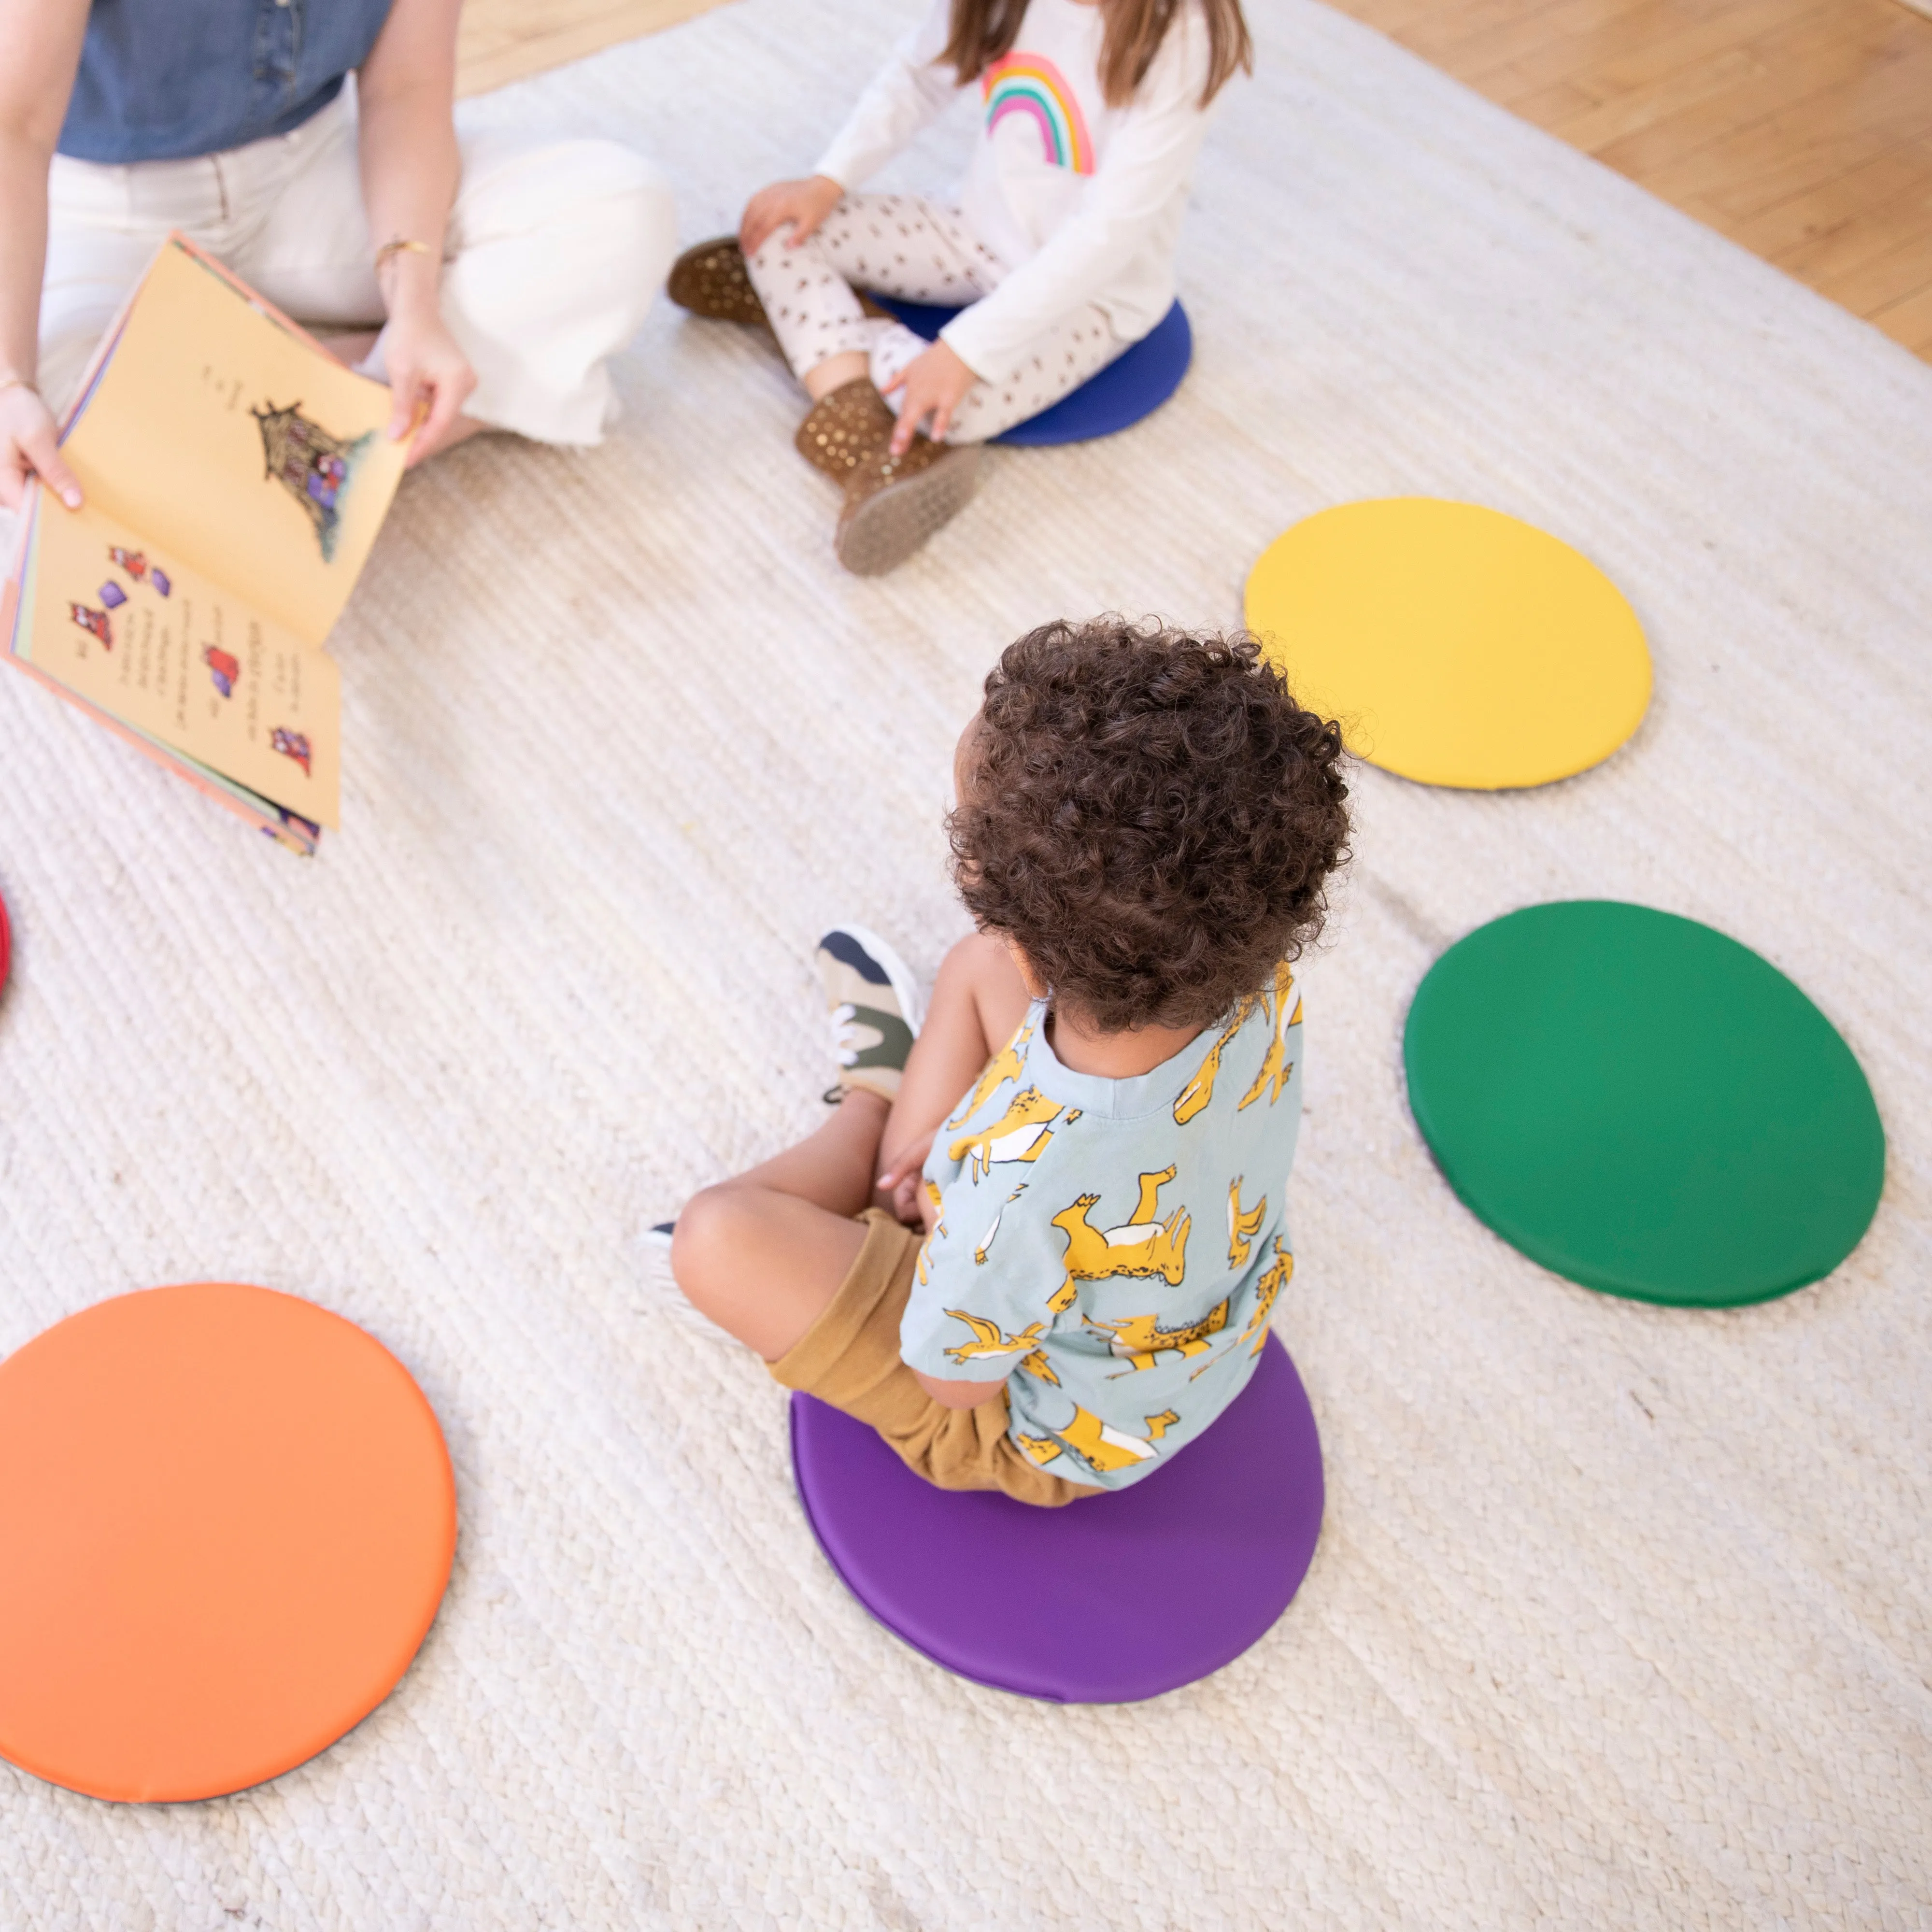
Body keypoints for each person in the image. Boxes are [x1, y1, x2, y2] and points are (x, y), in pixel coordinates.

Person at [669, 618, 1350, 1503]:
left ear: (1036, 956)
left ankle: (870, 1101)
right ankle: (893, 1142)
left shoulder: (1014, 1195)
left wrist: (957, 1221)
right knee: (970, 967)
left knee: (714, 1240)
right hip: (1171, 1305)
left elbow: (957, 1383)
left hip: (1035, 1432)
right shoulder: (1257, 973)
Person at [0, 0, 679, 514]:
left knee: (620, 211)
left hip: (316, 166)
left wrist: (413, 309)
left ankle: (299, 424)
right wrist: (8, 382)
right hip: (103, 208)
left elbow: (405, 90)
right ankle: (361, 418)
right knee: (46, 431)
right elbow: (16, 128)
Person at [664, 0, 1252, 576]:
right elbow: (918, 78)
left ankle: (822, 325)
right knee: (780, 234)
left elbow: (1106, 235)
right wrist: (829, 179)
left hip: (1095, 297)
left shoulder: (1184, 35)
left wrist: (966, 352)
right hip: (974, 236)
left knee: (955, 412)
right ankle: (869, 433)